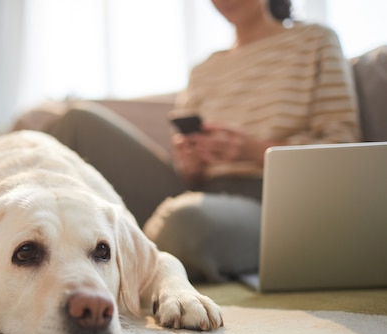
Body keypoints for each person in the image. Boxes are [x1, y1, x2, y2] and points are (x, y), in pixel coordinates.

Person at [45, 0, 360, 280]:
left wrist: (255, 151)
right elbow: (187, 172)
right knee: (76, 121)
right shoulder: (205, 69)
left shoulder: (315, 41)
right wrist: (190, 162)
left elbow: (344, 150)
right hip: (195, 189)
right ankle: (34, 245)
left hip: (269, 202)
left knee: (183, 224)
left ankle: (131, 248)